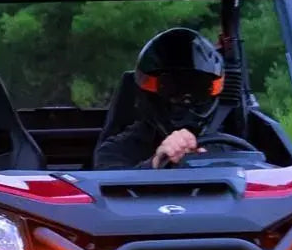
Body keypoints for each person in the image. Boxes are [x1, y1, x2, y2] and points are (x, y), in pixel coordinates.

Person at [94, 27, 240, 169]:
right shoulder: (117, 151)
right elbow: (107, 183)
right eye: (172, 87)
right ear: (148, 90)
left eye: (198, 87)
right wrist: (155, 163)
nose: (186, 99)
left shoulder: (230, 147)